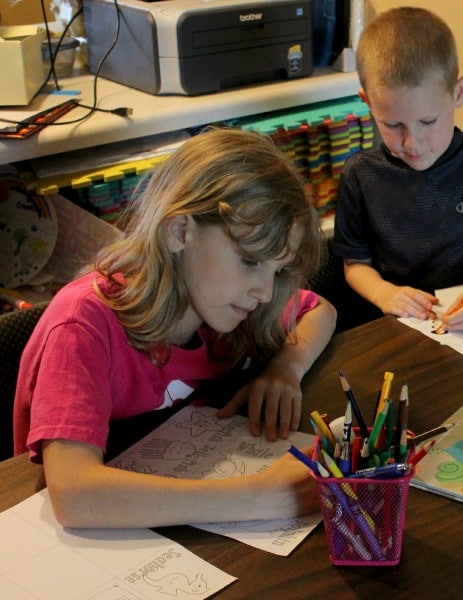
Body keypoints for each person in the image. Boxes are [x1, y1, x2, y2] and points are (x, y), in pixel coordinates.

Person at [13, 128, 337, 528]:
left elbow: (320, 309)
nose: (265, 291)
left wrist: (287, 367)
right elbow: (73, 495)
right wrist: (258, 498)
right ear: (180, 230)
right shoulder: (82, 324)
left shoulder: (229, 300)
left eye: (278, 269)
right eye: (251, 262)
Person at [332, 6, 463, 332]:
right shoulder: (361, 174)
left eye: (428, 121)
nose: (412, 143)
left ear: (458, 93)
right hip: (408, 325)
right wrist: (383, 293)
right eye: (393, 125)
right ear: (367, 102)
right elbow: (355, 264)